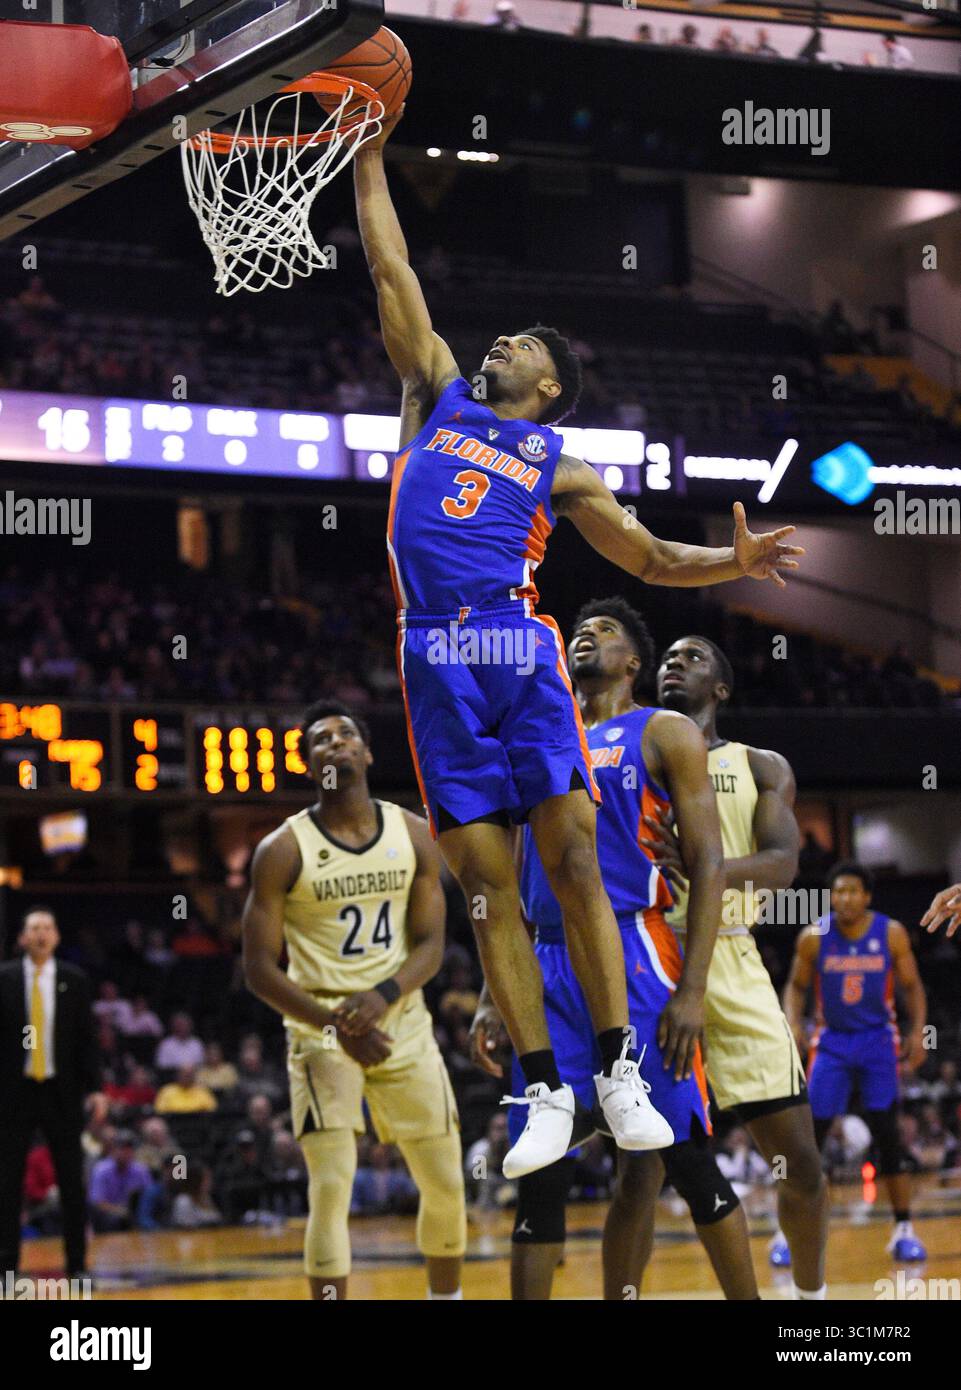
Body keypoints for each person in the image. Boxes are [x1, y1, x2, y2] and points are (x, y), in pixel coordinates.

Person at [353, 106, 805, 1178]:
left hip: (515, 643)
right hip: (431, 654)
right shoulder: (433, 391)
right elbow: (388, 266)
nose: (498, 340)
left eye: (522, 345)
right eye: (499, 337)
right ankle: (543, 1090)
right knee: (483, 887)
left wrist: (730, 563)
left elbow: (646, 559)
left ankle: (615, 1069)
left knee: (567, 859)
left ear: (549, 385)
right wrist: (368, 153)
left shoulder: (560, 461)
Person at [472, 600, 758, 1300]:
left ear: (633, 662)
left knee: (685, 1161)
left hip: (634, 952)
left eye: (601, 633)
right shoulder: (534, 733)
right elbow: (505, 872)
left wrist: (690, 991)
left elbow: (710, 863)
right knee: (538, 1187)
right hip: (541, 960)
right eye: (576, 632)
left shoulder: (664, 731)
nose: (582, 637)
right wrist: (491, 990)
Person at [243, 701, 467, 1300]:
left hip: (401, 1021)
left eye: (346, 735)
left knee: (446, 1181)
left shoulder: (413, 833)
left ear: (366, 754)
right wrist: (336, 1022)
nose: (335, 744)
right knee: (331, 1186)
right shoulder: (282, 850)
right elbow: (259, 969)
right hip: (319, 1030)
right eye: (320, 739)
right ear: (309, 764)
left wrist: (383, 995)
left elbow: (432, 943)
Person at [642, 637, 829, 1298]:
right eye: (665, 656)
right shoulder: (627, 753)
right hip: (646, 955)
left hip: (728, 955)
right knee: (637, 1180)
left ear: (720, 688)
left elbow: (781, 864)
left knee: (800, 1167)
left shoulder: (758, 764)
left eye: (690, 657)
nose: (672, 662)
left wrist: (702, 865)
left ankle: (810, 1307)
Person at [782, 862, 929, 1262]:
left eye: (852, 891)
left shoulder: (891, 933)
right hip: (831, 1043)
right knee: (810, 1137)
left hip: (878, 1041)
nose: (844, 898)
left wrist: (918, 1032)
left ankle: (903, 1229)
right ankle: (789, 1233)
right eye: (838, 891)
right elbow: (795, 987)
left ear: (867, 896)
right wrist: (793, 1023)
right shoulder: (814, 936)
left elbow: (913, 988)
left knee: (887, 1134)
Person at [0, 907, 104, 1279]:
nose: (41, 934)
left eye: (47, 927)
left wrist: (96, 1088)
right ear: (23, 937)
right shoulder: (6, 977)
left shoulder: (74, 980)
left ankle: (76, 1264)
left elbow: (86, 1039)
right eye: (33, 928)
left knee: (71, 1181)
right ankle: (6, 1267)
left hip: (61, 1090)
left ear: (57, 936)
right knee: (7, 1183)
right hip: (15, 1092)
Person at [88, 1131, 151, 1233]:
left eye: (129, 1149)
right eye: (122, 1148)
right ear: (113, 1150)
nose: (126, 1153)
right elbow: (97, 1202)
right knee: (116, 1220)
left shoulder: (141, 1170)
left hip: (136, 1214)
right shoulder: (101, 1170)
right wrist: (121, 1211)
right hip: (109, 1217)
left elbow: (149, 1195)